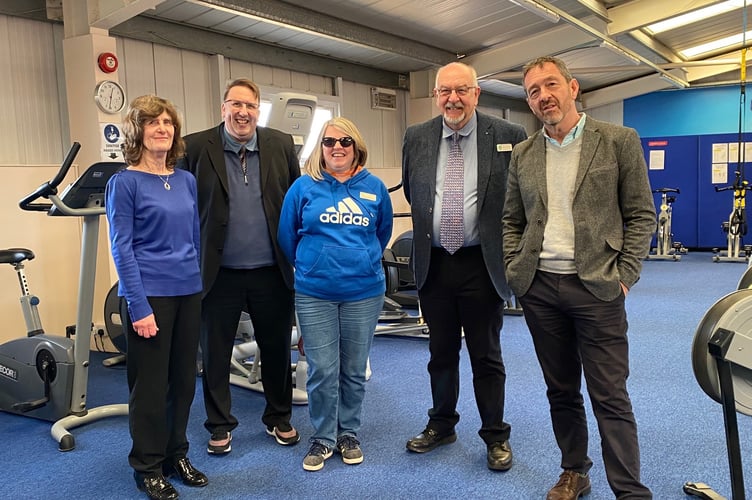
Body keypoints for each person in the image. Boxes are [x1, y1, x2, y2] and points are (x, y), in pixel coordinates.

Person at [502, 56, 655, 500]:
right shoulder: (525, 154)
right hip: (540, 288)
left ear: (573, 87)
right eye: (533, 91)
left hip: (598, 287)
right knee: (561, 389)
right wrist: (518, 273)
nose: (543, 95)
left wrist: (624, 276)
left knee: (610, 394)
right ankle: (574, 470)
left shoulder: (618, 140)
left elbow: (642, 214)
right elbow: (512, 220)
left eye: (550, 85)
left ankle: (629, 490)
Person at [401, 61, 527, 471]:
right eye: (444, 92)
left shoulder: (508, 135)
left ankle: (495, 435)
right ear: (436, 96)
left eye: (461, 90)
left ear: (476, 93)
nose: (452, 99)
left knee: (486, 355)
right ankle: (442, 423)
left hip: (481, 263)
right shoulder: (417, 136)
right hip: (435, 263)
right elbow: (412, 190)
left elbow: (522, 200)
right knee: (440, 352)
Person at [177, 78, 301, 455]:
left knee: (277, 348)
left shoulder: (280, 144)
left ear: (258, 109)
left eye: (249, 105)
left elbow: (295, 199)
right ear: (223, 108)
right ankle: (219, 424)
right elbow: (183, 208)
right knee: (214, 352)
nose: (242, 112)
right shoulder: (196, 147)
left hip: (271, 269)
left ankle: (278, 417)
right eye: (235, 104)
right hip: (218, 272)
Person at [106, 95, 207, 500]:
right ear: (139, 132)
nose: (162, 128)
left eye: (168, 122)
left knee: (183, 382)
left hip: (188, 292)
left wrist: (197, 280)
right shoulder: (124, 182)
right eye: (153, 123)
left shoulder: (185, 180)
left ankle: (175, 454)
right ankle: (146, 466)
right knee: (149, 386)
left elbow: (194, 237)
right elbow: (121, 248)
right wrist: (139, 304)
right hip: (152, 296)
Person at [278, 117, 394, 471]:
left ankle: (349, 433)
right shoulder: (303, 188)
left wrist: (361, 261)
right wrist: (313, 265)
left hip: (363, 292)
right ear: (321, 148)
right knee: (322, 369)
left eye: (345, 141)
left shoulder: (374, 187)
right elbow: (287, 237)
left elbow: (382, 233)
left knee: (354, 369)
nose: (337, 148)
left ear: (356, 146)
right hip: (315, 293)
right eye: (330, 142)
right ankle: (324, 437)